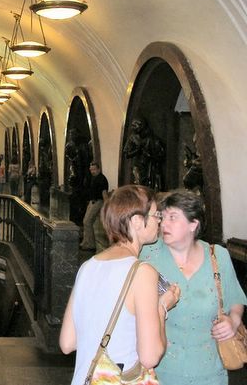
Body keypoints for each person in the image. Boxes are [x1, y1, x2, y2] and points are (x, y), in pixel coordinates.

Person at [59, 185, 181, 385]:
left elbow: (67, 342)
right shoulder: (142, 272)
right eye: (155, 215)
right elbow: (150, 356)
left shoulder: (88, 267)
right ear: (137, 221)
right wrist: (162, 307)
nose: (159, 220)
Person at [140, 190, 247, 385]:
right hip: (159, 372)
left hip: (209, 372)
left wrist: (233, 320)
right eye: (162, 217)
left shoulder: (217, 256)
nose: (163, 224)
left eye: (173, 217)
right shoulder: (148, 255)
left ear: (193, 224)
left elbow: (235, 299)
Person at [79, 162, 109, 251]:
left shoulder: (102, 179)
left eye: (94, 169)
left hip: (98, 202)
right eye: (91, 170)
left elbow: (104, 193)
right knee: (85, 221)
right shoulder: (94, 177)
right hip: (92, 201)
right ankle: (85, 242)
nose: (92, 171)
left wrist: (107, 206)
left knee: (87, 221)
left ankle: (90, 244)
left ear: (99, 169)